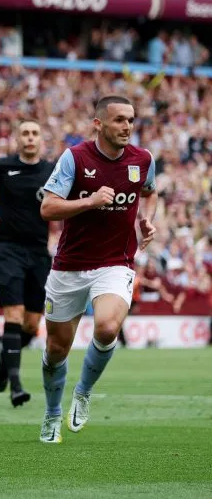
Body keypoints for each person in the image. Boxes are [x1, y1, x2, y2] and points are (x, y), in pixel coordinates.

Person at [37, 95, 157, 444]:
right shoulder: (75, 158)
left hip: (115, 263)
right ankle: (52, 414)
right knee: (57, 349)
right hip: (70, 266)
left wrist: (147, 222)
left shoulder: (143, 159)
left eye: (131, 120)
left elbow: (150, 191)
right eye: (119, 120)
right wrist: (89, 201)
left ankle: (84, 392)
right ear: (99, 124)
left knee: (106, 327)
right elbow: (48, 208)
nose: (127, 127)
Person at [0, 119, 55, 407]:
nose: (30, 138)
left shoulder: (52, 170)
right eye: (25, 133)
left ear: (41, 139)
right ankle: (16, 386)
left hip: (39, 252)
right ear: (17, 139)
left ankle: (2, 356)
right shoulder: (1, 167)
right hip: (7, 249)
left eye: (35, 133)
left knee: (32, 325)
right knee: (14, 314)